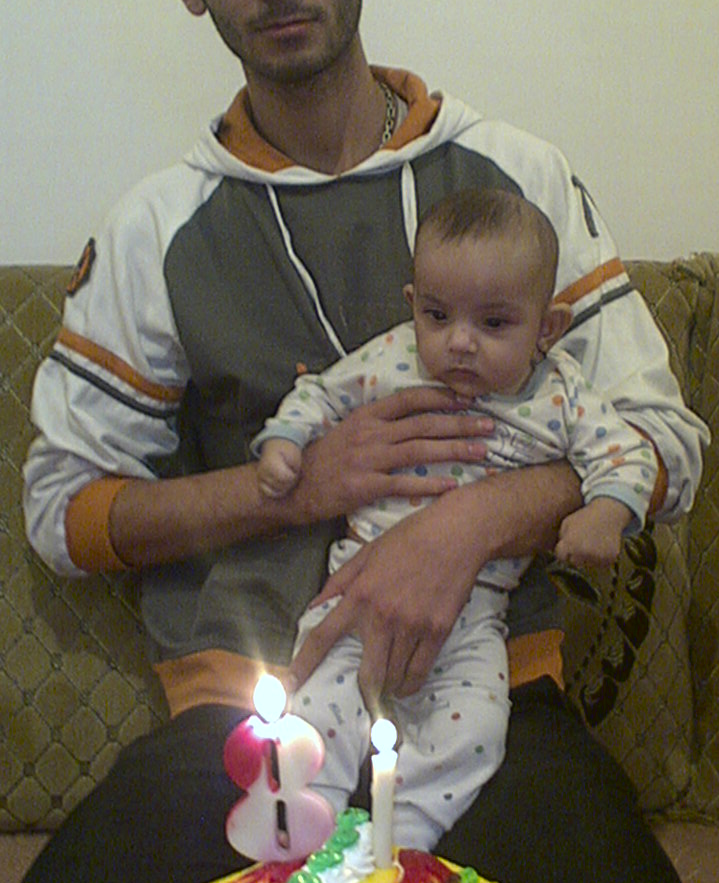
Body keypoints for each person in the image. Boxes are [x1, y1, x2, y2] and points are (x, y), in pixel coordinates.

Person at [0, 0, 711, 883]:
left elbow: (664, 439)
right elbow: (65, 516)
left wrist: (470, 522)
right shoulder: (155, 227)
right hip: (256, 706)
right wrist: (300, 485)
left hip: (491, 688)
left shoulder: (517, 178)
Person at [256, 186, 658, 847]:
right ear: (413, 305)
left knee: (474, 732)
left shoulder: (559, 394)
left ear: (547, 329)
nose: (460, 343)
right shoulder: (393, 360)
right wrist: (285, 441)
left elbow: (628, 453)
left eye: (494, 324)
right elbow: (320, 395)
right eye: (438, 316)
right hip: (356, 596)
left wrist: (608, 511)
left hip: (474, 620)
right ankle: (301, 830)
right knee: (316, 713)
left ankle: (406, 837)